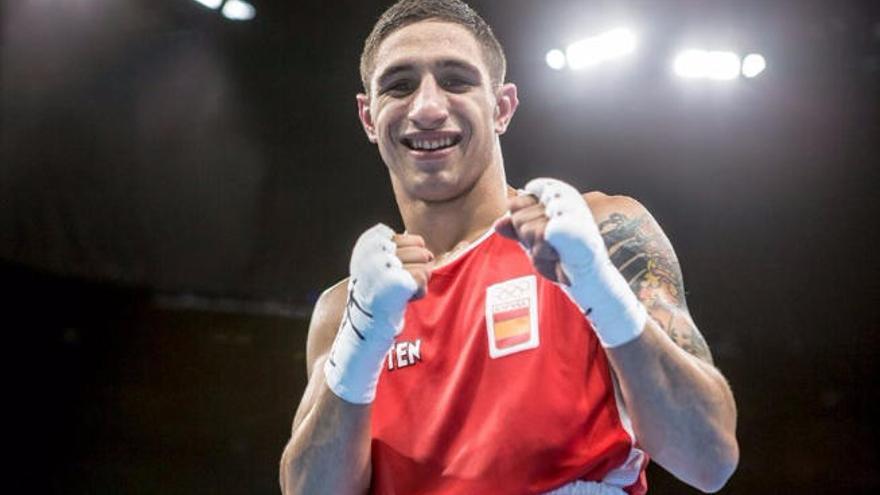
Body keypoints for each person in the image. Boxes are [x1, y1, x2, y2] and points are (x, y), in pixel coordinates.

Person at [279, 1, 739, 493]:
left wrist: (598, 286)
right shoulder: (344, 310)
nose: (429, 108)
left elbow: (708, 458)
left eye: (456, 80)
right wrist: (360, 337)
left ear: (502, 107)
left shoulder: (599, 231)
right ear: (369, 118)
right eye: (399, 84)